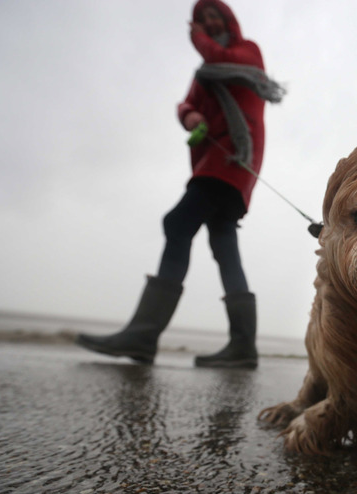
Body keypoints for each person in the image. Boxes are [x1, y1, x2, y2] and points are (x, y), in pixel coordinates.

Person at [76, 0, 283, 368]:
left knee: (178, 223)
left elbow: (218, 58)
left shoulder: (244, 52)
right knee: (223, 243)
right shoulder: (204, 72)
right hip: (213, 158)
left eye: (213, 16)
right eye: (201, 19)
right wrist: (190, 117)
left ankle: (143, 335)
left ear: (229, 20)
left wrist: (199, 38)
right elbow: (185, 103)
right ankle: (243, 347)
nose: (207, 22)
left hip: (234, 157)